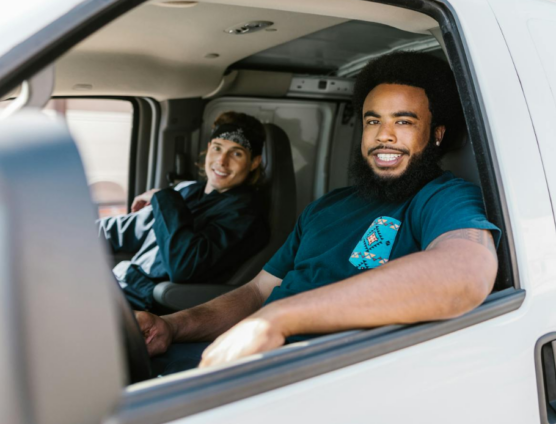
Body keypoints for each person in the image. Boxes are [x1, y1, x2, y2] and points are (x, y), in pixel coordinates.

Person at [138, 52, 499, 374]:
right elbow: (257, 293)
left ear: (436, 134)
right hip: (237, 355)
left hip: (308, 375)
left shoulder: (442, 197)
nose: (383, 136)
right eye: (373, 121)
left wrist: (278, 320)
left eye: (403, 122)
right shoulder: (326, 206)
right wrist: (172, 326)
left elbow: (467, 273)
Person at [101, 112, 270, 312]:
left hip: (147, 304)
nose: (222, 161)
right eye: (217, 148)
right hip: (118, 284)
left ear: (254, 162)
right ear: (208, 149)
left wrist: (163, 198)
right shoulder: (187, 190)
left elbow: (184, 266)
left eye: (236, 153)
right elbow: (123, 231)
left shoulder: (245, 215)